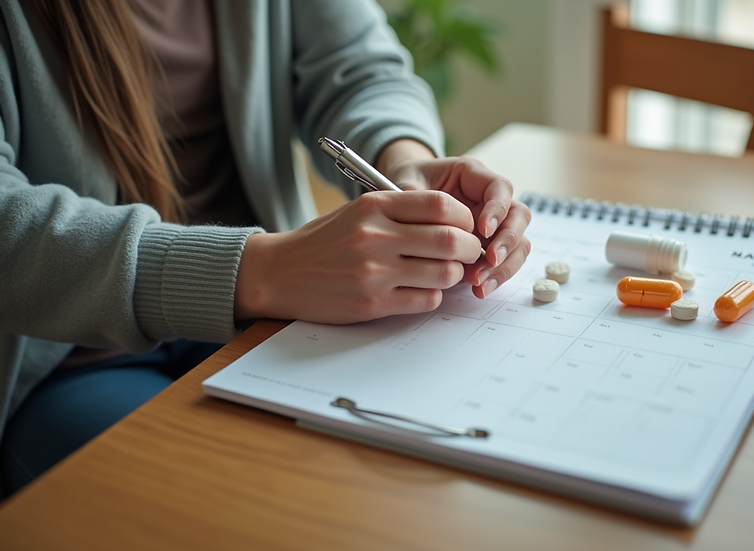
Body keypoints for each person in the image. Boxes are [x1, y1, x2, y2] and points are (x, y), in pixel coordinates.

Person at [0, 0, 531, 495]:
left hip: (270, 316)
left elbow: (360, 69)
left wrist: (403, 158)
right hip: (66, 357)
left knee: (381, 480)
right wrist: (261, 271)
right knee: (251, 499)